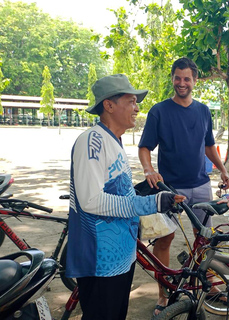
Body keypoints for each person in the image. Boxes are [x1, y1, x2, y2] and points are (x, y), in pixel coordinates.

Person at [66, 74, 185, 320]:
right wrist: (149, 203)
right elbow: (92, 201)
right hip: (101, 261)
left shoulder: (114, 140)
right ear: (108, 105)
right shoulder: (92, 141)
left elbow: (117, 190)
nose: (137, 108)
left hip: (121, 256)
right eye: (131, 101)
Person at [138, 57, 229, 314]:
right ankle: (164, 294)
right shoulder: (159, 111)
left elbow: (209, 145)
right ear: (172, 79)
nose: (182, 83)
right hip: (171, 190)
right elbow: (144, 147)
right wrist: (149, 169)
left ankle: (208, 284)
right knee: (164, 240)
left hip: (201, 186)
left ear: (195, 81)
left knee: (205, 240)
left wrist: (222, 169)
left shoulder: (203, 111)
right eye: (177, 78)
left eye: (186, 79)